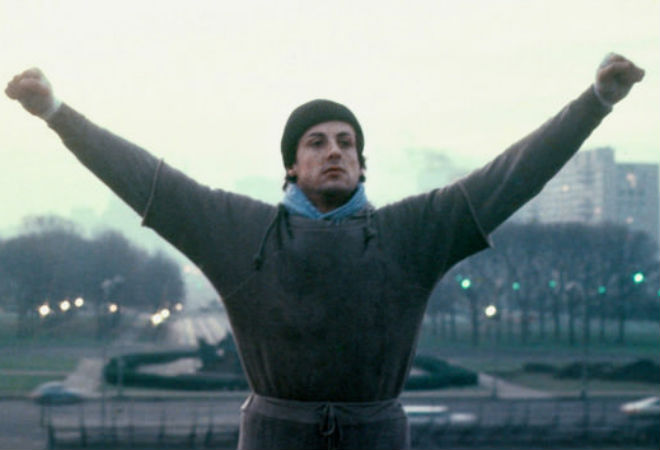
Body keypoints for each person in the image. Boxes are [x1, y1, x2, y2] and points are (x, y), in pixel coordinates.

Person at [5, 53, 644, 449]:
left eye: (347, 142)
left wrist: (597, 101)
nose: (334, 150)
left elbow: (513, 175)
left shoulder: (411, 233)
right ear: (291, 165)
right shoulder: (243, 232)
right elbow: (150, 183)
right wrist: (56, 112)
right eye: (316, 142)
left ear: (362, 162)